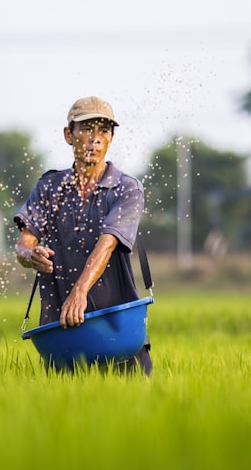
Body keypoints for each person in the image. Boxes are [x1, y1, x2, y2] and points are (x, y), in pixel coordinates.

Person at [13, 96, 152, 375]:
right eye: (87, 129)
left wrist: (80, 291)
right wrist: (31, 255)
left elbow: (107, 243)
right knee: (67, 413)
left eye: (103, 130)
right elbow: (24, 243)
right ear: (68, 134)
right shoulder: (50, 187)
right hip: (63, 329)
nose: (95, 139)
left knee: (137, 410)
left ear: (112, 138)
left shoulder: (126, 189)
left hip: (118, 325)